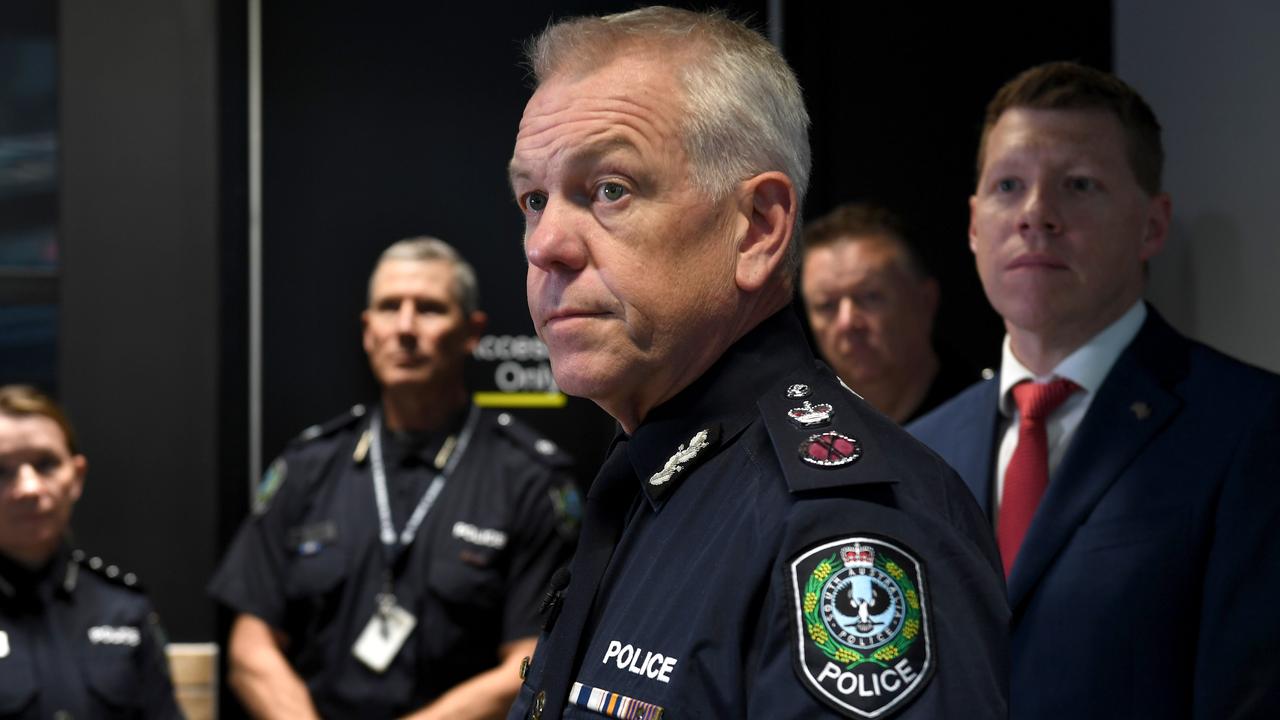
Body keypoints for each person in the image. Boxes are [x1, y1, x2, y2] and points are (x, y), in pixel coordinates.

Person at [506, 8, 1007, 719]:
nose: (545, 243)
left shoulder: (841, 527)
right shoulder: (656, 478)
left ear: (759, 229)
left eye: (609, 189)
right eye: (533, 198)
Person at [908, 62, 1280, 719]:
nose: (1036, 215)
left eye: (1079, 185)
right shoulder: (918, 452)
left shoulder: (1250, 427)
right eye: (1008, 185)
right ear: (972, 225)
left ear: (1152, 226)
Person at [209, 237, 581, 719]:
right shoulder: (308, 466)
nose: (405, 328)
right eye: (389, 308)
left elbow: (532, 659)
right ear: (367, 330)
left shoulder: (531, 479)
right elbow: (250, 646)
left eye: (428, 309)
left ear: (472, 332)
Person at [0, 384, 183, 719]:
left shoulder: (123, 608)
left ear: (77, 476)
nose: (28, 489)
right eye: (2, 471)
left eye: (46, 464)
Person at [800, 202, 976, 423]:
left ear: (925, 301)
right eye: (826, 305)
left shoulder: (985, 418)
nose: (847, 322)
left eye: (870, 297)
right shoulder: (800, 428)